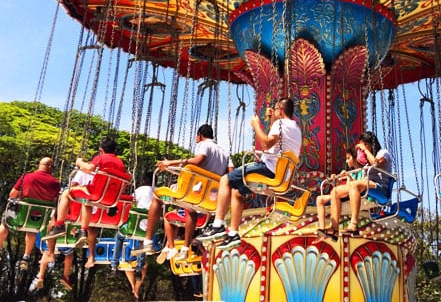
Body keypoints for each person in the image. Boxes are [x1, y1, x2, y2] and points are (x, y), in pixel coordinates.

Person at [197, 97, 302, 250]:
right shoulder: (295, 129)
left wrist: (256, 125)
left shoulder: (280, 124)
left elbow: (266, 143)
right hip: (283, 175)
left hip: (269, 170)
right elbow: (276, 144)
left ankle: (217, 224)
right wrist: (272, 119)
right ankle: (233, 233)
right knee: (237, 193)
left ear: (280, 109)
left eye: (275, 107)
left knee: (225, 180)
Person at [135, 124, 231, 261]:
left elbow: (198, 160)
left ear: (200, 135)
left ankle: (148, 241)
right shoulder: (224, 152)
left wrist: (172, 163)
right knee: (191, 210)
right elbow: (230, 173)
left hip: (194, 192)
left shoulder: (204, 145)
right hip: (210, 199)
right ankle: (185, 248)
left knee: (157, 196)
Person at [43, 136, 128, 269]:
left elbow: (88, 169)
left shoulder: (101, 158)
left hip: (94, 198)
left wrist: (79, 162)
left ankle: (59, 226)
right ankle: (85, 239)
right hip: (108, 202)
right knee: (86, 200)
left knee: (67, 193)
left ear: (101, 150)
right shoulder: (120, 163)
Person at [0, 157, 60, 268]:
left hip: (20, 218)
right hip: (39, 221)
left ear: (40, 165)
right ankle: (26, 256)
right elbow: (55, 200)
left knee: (5, 222)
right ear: (49, 166)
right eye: (53, 167)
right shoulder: (55, 183)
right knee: (32, 230)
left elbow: (12, 194)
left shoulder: (27, 177)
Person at [330, 132, 392, 236]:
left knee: (354, 186)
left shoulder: (383, 153)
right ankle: (334, 227)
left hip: (380, 188)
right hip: (367, 186)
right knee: (336, 192)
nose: (360, 150)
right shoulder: (366, 163)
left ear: (370, 145)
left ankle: (354, 224)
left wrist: (365, 150)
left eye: (363, 146)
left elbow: (376, 164)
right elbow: (358, 182)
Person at [316, 146, 364, 241]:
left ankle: (334, 228)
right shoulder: (351, 172)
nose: (346, 161)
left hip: (354, 194)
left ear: (355, 158)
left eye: (348, 158)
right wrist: (336, 180)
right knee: (319, 199)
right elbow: (344, 188)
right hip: (344, 194)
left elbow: (356, 186)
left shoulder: (361, 171)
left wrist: (348, 176)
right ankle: (322, 230)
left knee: (334, 192)